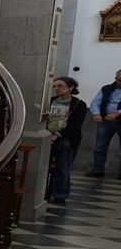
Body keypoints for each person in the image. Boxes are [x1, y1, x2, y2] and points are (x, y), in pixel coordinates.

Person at [45, 76, 87, 205]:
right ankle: (46, 192)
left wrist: (57, 135)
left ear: (70, 87)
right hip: (48, 135)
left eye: (60, 86)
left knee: (63, 167)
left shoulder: (78, 104)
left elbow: (75, 124)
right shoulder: (51, 101)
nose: (57, 89)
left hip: (67, 138)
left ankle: (60, 195)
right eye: (55, 86)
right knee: (46, 167)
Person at [86, 68, 121, 177]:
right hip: (106, 121)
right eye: (118, 79)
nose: (119, 82)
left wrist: (117, 113)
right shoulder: (106, 88)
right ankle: (98, 170)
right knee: (100, 147)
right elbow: (95, 102)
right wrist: (96, 114)